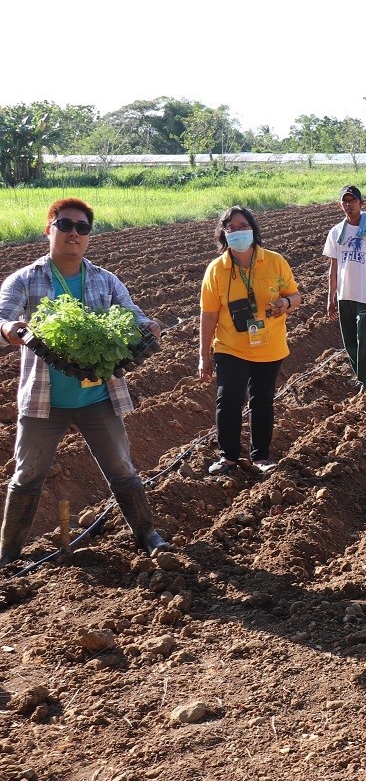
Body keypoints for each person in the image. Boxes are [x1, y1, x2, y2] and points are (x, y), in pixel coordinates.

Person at [0, 197, 169, 562]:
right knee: (28, 474)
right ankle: (9, 553)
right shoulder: (26, 280)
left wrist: (148, 325)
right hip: (45, 400)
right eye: (65, 225)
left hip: (97, 397)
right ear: (49, 229)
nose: (73, 233)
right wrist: (10, 328)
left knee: (121, 467)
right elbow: (1, 317)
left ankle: (147, 534)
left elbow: (131, 313)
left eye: (82, 228)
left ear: (89, 236)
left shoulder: (104, 280)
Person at [198, 206, 301, 476]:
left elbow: (296, 295)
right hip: (230, 345)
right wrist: (203, 355)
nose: (238, 231)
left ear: (253, 229)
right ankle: (228, 456)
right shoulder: (216, 270)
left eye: (243, 226)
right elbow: (208, 314)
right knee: (228, 398)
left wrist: (285, 303)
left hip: (269, 344)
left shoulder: (275, 261)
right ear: (223, 234)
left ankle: (261, 456)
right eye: (231, 228)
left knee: (262, 400)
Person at [323, 185, 366, 391]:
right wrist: (331, 298)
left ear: (361, 203)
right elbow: (334, 267)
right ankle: (362, 377)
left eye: (352, 200)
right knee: (350, 341)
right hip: (345, 294)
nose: (348, 204)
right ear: (340, 204)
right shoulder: (336, 232)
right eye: (345, 201)